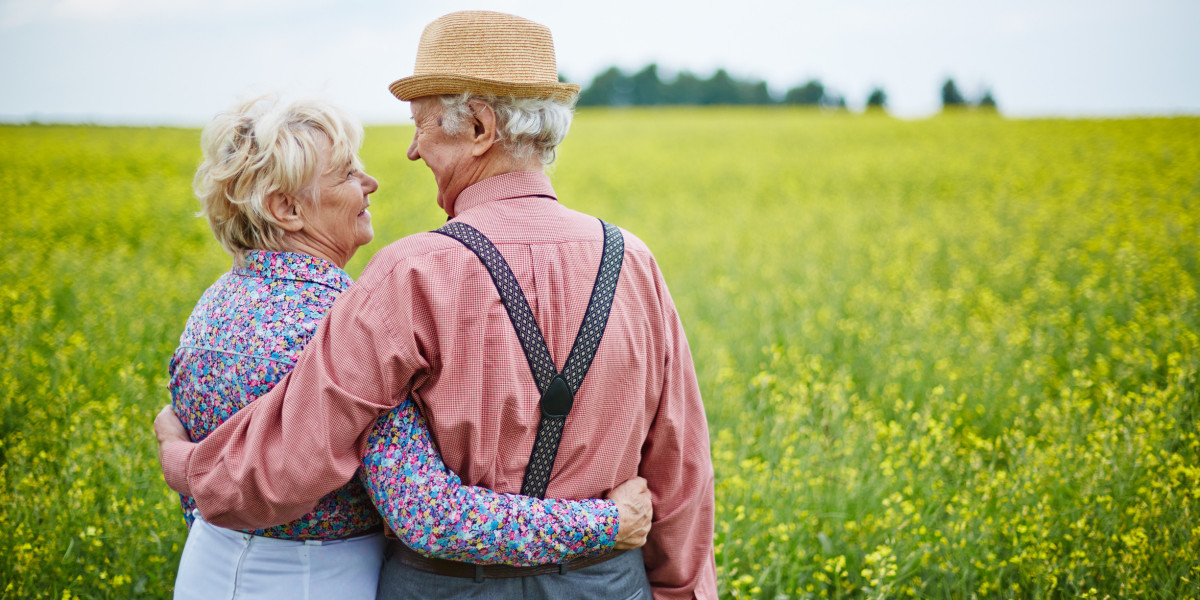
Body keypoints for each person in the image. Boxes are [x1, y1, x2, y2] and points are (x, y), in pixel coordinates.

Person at [156, 10, 717, 599]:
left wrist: (182, 461)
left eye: (421, 126)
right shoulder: (635, 261)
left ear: (478, 127)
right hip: (609, 584)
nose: (411, 152)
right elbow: (680, 468)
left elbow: (288, 461)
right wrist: (677, 591)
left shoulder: (411, 271)